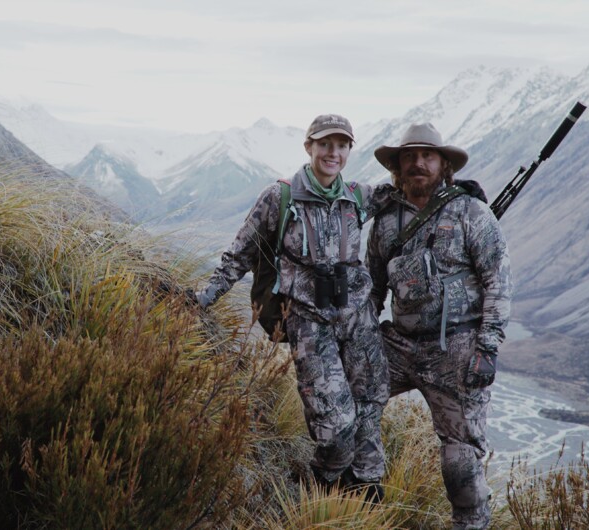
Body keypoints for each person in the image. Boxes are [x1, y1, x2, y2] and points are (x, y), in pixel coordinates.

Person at [195, 114, 391, 500]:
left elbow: (410, 193)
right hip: (308, 322)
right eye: (324, 144)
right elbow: (239, 254)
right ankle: (321, 481)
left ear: (350, 150)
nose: (332, 152)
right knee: (336, 427)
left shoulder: (360, 195)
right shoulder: (279, 197)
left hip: (358, 322)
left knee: (370, 408)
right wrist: (204, 298)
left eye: (341, 145)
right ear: (309, 147)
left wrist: (452, 191)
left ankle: (366, 490)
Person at [365, 123, 512, 529]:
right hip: (398, 344)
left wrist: (487, 348)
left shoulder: (471, 212)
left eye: (427, 156)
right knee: (347, 406)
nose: (418, 163)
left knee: (460, 464)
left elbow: (498, 282)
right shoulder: (384, 221)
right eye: (408, 156)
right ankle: (360, 501)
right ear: (397, 166)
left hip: (457, 349)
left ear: (444, 163)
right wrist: (355, 340)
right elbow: (372, 289)